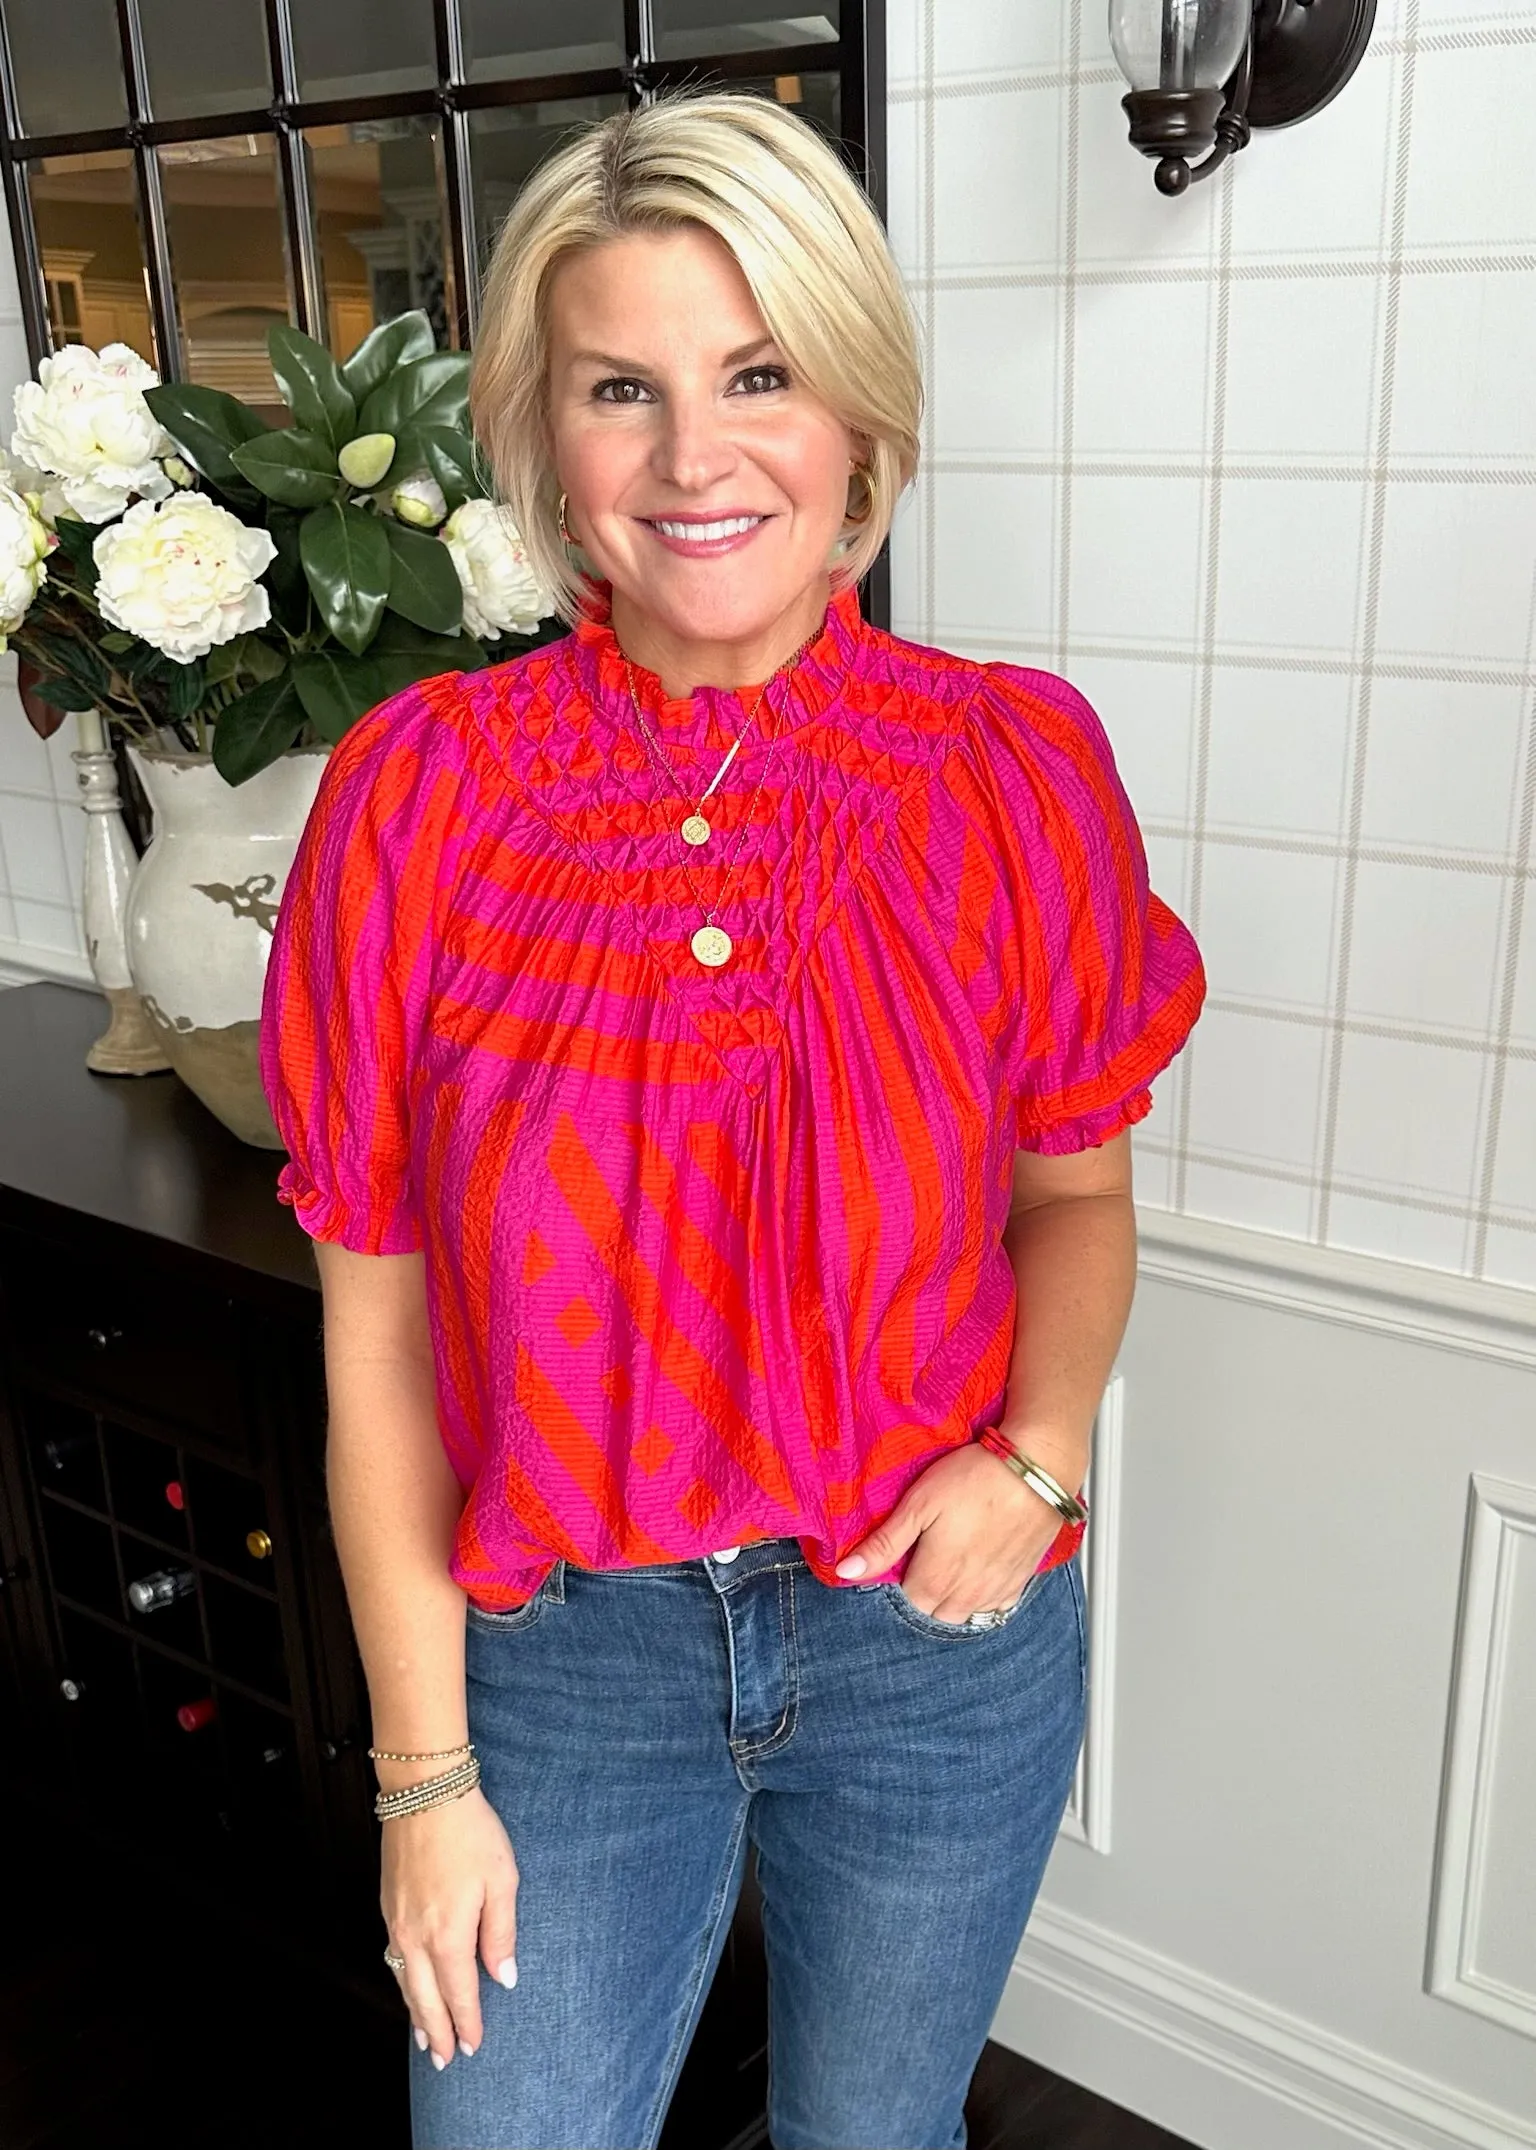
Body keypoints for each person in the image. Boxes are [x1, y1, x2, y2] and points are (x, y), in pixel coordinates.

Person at [259, 88, 1205, 2150]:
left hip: (926, 1640)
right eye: (624, 387)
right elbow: (377, 1334)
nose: (697, 458)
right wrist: (422, 1783)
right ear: (546, 437)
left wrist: (1036, 1464)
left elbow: (1080, 1194)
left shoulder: (1008, 774)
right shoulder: (413, 803)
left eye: (758, 372)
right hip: (560, 1659)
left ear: (855, 414)